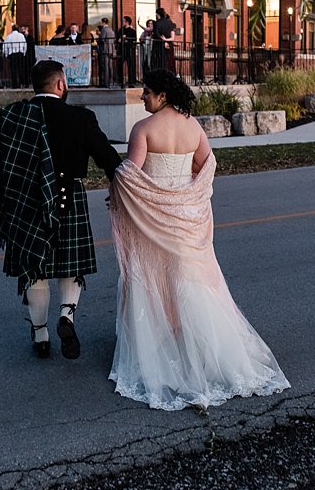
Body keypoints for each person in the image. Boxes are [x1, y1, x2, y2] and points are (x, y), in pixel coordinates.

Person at [107, 70, 290, 410]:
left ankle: (165, 348)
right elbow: (207, 163)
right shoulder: (192, 126)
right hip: (186, 218)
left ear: (162, 95)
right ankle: (200, 349)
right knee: (188, 280)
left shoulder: (143, 129)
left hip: (155, 219)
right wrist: (191, 193)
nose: (142, 97)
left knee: (156, 279)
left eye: (146, 92)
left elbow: (130, 175)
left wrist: (117, 187)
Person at [0, 60, 122, 359]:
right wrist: (123, 190)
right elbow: (109, 159)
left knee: (35, 267)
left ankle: (41, 336)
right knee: (70, 266)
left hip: (25, 203)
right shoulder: (81, 117)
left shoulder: (12, 117)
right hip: (68, 198)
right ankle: (67, 316)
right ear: (61, 84)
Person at [153, 8, 177, 74]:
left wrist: (164, 41)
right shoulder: (169, 22)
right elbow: (172, 35)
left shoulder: (156, 23)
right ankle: (171, 76)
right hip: (169, 45)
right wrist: (166, 41)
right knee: (170, 62)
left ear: (157, 14)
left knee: (159, 62)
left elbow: (157, 35)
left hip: (159, 45)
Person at [117, 16, 138, 87]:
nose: (122, 22)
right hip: (121, 50)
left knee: (131, 66)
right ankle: (120, 80)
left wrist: (125, 38)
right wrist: (120, 39)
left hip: (129, 50)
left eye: (123, 21)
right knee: (119, 65)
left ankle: (131, 81)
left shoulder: (132, 31)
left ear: (127, 22)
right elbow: (118, 39)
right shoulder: (121, 30)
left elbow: (134, 39)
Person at [96, 17, 116, 87]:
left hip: (104, 50)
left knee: (105, 67)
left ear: (103, 22)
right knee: (110, 67)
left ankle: (105, 83)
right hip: (110, 50)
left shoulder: (104, 30)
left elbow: (102, 40)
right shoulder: (111, 30)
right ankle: (111, 82)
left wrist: (98, 37)